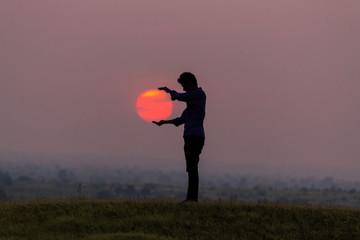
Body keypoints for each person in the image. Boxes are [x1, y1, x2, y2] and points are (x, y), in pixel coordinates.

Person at [153, 72, 206, 203]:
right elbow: (181, 119)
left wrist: (169, 91)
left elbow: (180, 96)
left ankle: (192, 199)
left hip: (195, 136)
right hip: (189, 136)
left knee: (192, 168)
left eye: (184, 85)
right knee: (191, 168)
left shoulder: (199, 94)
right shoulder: (191, 106)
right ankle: (191, 198)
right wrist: (164, 122)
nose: (183, 88)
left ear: (190, 83)